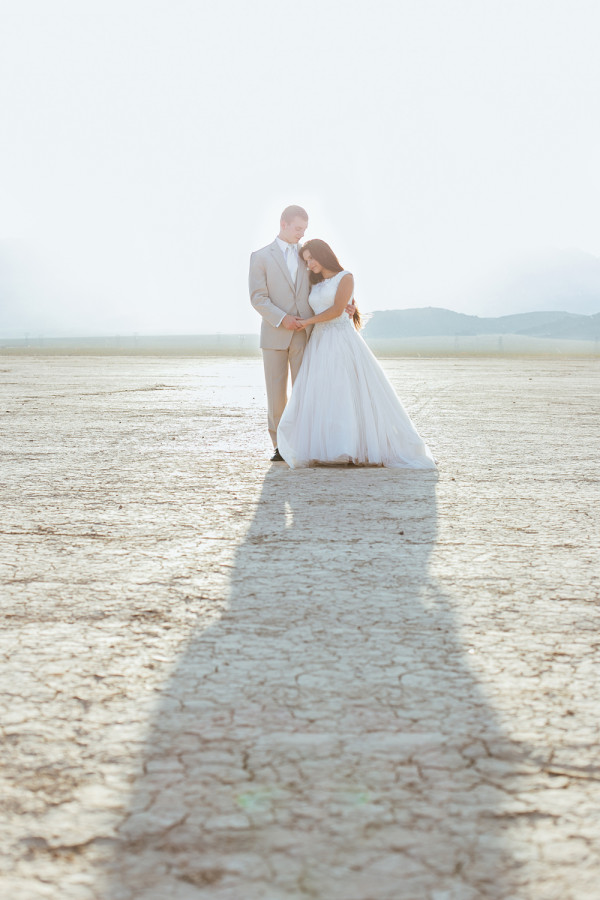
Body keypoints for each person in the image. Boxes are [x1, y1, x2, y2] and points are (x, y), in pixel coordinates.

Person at [276, 239, 436, 469]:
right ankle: (328, 447)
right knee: (324, 392)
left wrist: (309, 321)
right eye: (306, 260)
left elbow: (337, 309)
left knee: (345, 390)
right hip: (319, 342)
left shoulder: (345, 277)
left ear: (324, 255)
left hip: (341, 339)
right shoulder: (316, 282)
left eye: (312, 258)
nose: (309, 264)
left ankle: (350, 446)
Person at [248, 205, 312, 461]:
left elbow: (322, 284)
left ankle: (302, 441)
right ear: (283, 224)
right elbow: (258, 298)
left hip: (304, 334)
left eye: (305, 229)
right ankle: (279, 446)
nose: (302, 234)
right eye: (298, 228)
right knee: (276, 394)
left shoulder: (307, 255)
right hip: (274, 335)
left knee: (304, 391)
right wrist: (282, 318)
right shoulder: (260, 256)